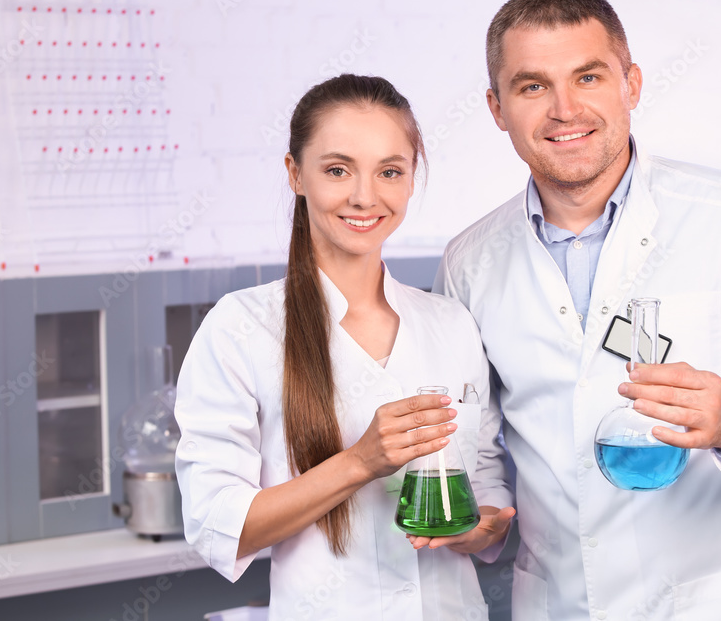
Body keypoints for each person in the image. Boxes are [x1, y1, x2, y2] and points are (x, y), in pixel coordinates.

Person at [434, 0, 721, 620]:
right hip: (563, 604)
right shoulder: (469, 260)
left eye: (588, 76)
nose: (564, 109)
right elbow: (476, 445)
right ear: (497, 108)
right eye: (532, 86)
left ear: (631, 85)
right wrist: (483, 517)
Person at [175, 73, 515, 620]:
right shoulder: (240, 328)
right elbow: (221, 527)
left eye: (389, 172)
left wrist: (482, 528)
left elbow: (483, 479)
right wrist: (359, 461)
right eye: (337, 170)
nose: (364, 196)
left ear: (410, 180)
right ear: (296, 174)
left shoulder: (451, 323)